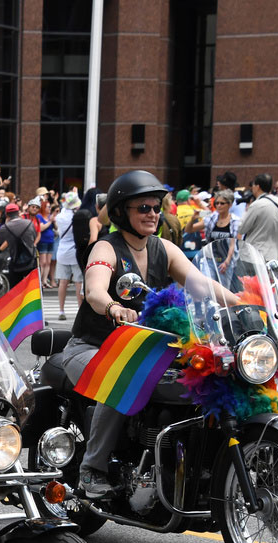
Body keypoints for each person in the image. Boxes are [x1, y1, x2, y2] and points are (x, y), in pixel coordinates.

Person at [61, 171, 241, 499]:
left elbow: (202, 284)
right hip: (91, 347)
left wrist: (243, 304)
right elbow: (94, 289)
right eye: (143, 207)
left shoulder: (164, 249)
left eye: (156, 207)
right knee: (124, 373)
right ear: (120, 213)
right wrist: (112, 306)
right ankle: (92, 468)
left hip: (144, 348)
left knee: (209, 372)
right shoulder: (106, 246)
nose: (152, 214)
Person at [237, 174, 278, 279]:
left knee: (254, 290)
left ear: (258, 186)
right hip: (274, 255)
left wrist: (247, 209)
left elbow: (242, 228)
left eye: (253, 185)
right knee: (269, 288)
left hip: (255, 254)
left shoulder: (257, 205)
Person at [0, 201, 38, 289]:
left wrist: (6, 224)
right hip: (30, 259)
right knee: (32, 287)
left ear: (7, 214)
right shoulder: (29, 223)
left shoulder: (5, 227)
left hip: (15, 262)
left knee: (16, 289)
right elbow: (34, 236)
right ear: (18, 213)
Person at [53, 190, 81, 316]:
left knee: (63, 282)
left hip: (62, 251)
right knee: (78, 282)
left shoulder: (60, 217)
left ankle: (61, 310)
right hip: (75, 252)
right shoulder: (78, 217)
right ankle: (80, 310)